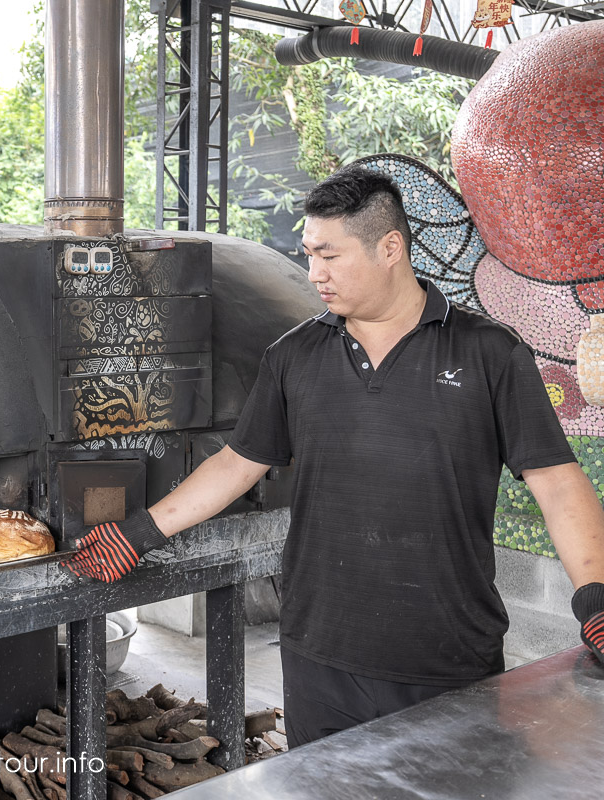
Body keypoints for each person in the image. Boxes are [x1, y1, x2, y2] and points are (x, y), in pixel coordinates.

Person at [63, 165, 604, 747]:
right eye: (308, 254)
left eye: (330, 255)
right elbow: (239, 463)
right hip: (317, 650)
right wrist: (141, 532)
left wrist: (595, 598)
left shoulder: (489, 353)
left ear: (390, 248)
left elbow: (556, 481)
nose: (314, 273)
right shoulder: (294, 355)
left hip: (445, 655)